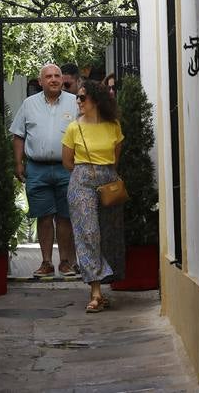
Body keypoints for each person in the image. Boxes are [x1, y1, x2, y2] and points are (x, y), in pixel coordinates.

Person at [62, 79, 125, 313]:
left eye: (82, 97)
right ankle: (95, 292)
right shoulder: (73, 128)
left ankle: (102, 286)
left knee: (108, 234)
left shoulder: (113, 126)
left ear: (95, 101)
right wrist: (87, 172)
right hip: (81, 181)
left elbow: (115, 158)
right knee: (88, 232)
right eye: (77, 97)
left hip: (108, 180)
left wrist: (102, 173)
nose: (77, 101)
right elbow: (67, 162)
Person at [10, 63, 78, 278]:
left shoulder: (74, 103)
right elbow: (18, 135)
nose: (54, 79)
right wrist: (18, 162)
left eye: (57, 75)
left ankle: (66, 262)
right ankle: (47, 262)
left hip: (67, 168)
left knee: (66, 217)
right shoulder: (29, 104)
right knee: (44, 216)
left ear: (62, 79)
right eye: (48, 76)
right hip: (37, 168)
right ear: (41, 81)